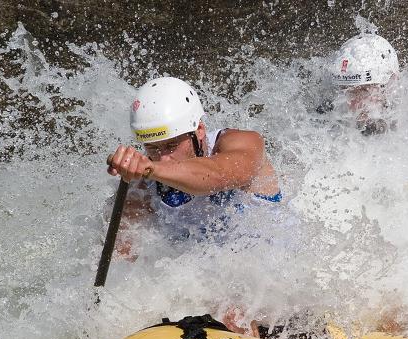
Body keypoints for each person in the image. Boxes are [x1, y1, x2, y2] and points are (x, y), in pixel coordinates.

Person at [107, 76, 281, 241]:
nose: (163, 159)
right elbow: (123, 257)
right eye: (153, 148)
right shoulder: (142, 187)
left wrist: (152, 168)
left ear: (199, 130)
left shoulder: (243, 141)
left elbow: (218, 175)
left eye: (172, 146)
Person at [328, 33, 400, 136]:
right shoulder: (325, 127)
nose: (355, 105)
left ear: (390, 85)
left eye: (364, 92)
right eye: (348, 93)